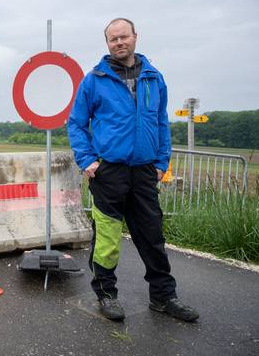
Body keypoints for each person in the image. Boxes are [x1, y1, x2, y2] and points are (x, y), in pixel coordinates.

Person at [67, 18, 199, 322]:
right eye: (112, 39)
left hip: (143, 171)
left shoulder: (154, 78)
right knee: (108, 238)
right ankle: (106, 294)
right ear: (107, 44)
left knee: (152, 237)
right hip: (108, 172)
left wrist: (161, 163)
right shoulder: (94, 80)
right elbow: (76, 123)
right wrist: (87, 160)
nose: (118, 43)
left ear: (135, 37)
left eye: (123, 37)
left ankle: (164, 298)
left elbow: (161, 122)